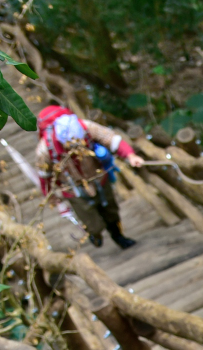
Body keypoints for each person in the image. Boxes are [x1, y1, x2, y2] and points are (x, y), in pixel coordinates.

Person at [35, 103, 145, 250]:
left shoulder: (86, 127)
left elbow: (111, 140)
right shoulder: (45, 149)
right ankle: (95, 233)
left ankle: (118, 236)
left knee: (111, 211)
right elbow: (44, 177)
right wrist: (52, 197)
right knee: (90, 220)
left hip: (98, 176)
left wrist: (130, 155)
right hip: (72, 188)